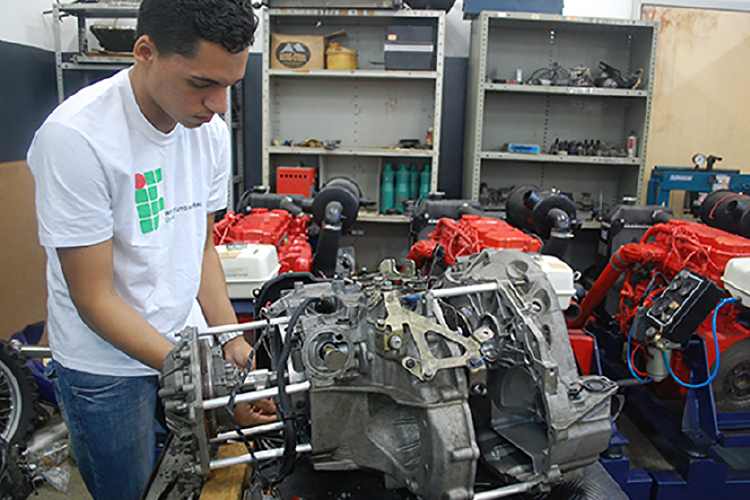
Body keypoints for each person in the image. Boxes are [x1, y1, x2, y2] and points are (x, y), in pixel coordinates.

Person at [27, 1, 274, 499]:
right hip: (106, 368)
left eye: (230, 85)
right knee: (133, 490)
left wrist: (230, 341)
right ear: (145, 52)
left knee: (198, 473)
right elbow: (94, 299)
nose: (220, 104)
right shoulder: (76, 138)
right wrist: (207, 384)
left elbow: (201, 247)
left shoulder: (208, 131)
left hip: (185, 338)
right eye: (203, 83)